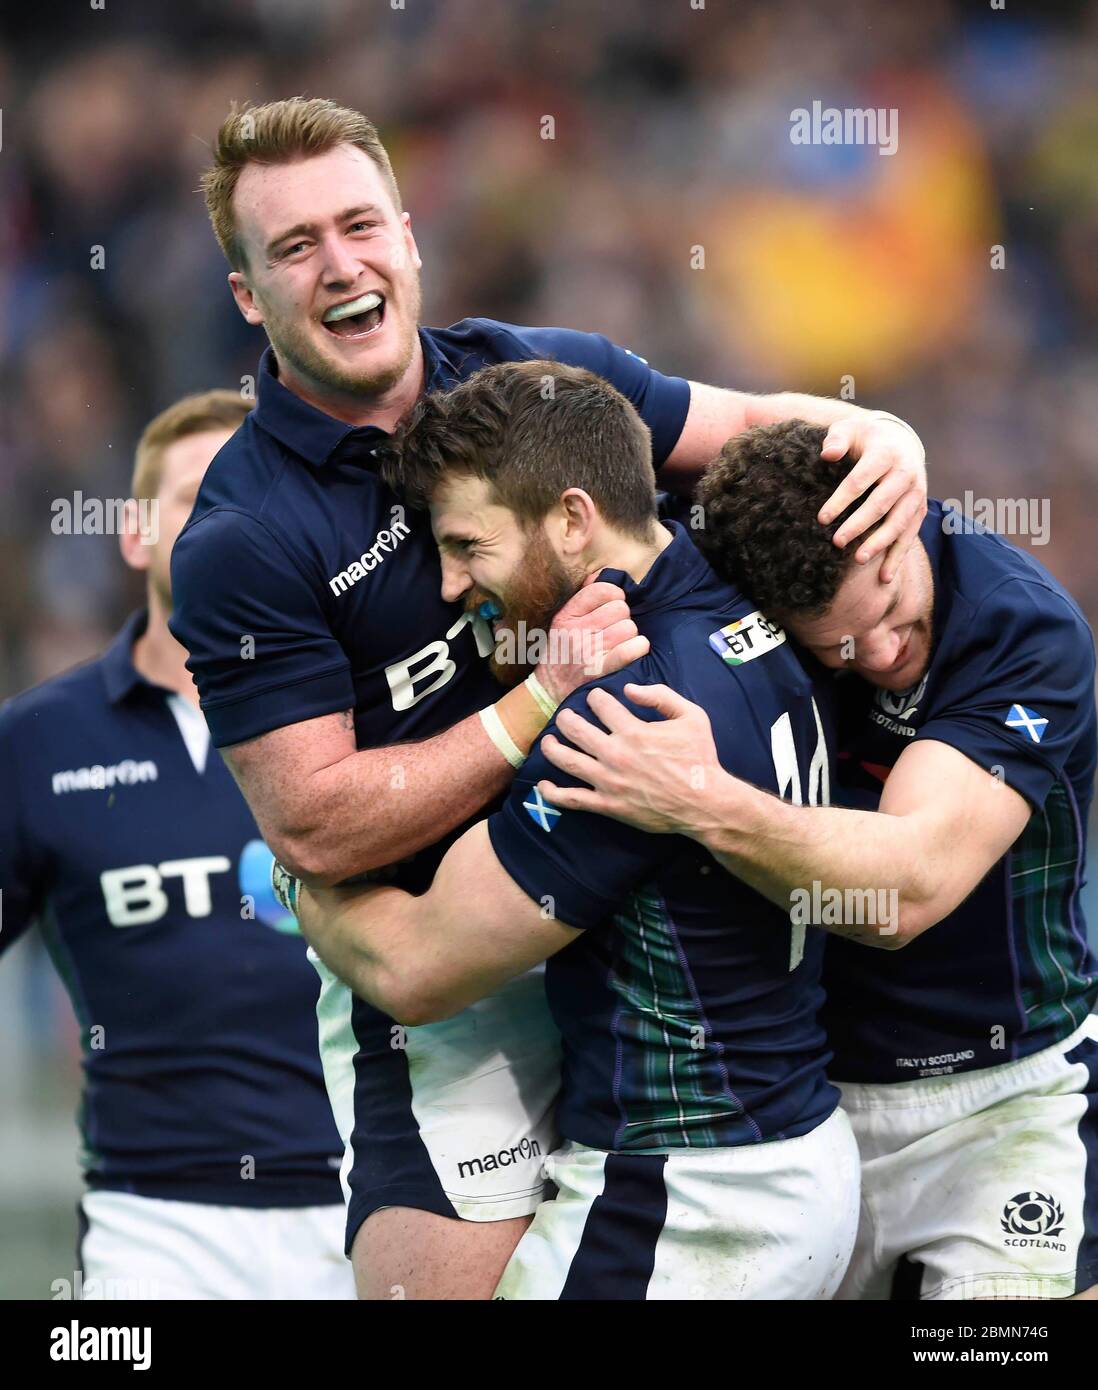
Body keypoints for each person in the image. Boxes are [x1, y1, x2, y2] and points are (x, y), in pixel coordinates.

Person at [169, 95, 925, 1298]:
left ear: (410, 238)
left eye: (359, 225)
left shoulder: (542, 382)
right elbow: (311, 826)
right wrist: (529, 710)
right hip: (454, 972)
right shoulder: (244, 537)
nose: (341, 264)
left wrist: (887, 435)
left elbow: (765, 428)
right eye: (294, 246)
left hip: (631, 941)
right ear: (249, 296)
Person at [272, 361, 861, 1300]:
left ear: (575, 518)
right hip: (805, 1157)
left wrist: (301, 874)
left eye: (469, 544)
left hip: (690, 1197)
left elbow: (416, 970)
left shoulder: (621, 720)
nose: (452, 583)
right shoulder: (735, 591)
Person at [535, 420, 1098, 1302]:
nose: (877, 657)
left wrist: (700, 799)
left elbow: (909, 891)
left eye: (888, 609)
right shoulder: (736, 556)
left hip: (1005, 1106)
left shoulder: (1024, 632)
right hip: (812, 1110)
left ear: (902, 522)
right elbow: (581, 408)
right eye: (835, 644)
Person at [0, 391, 353, 1301]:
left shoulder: (372, 711)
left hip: (370, 1199)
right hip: (151, 1225)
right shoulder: (37, 740)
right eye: (196, 495)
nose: (222, 522)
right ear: (132, 533)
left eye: (250, 496)